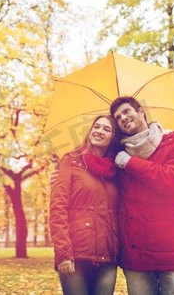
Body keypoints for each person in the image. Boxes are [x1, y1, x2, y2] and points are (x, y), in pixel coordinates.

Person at [110, 96, 174, 295]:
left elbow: (173, 181)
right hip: (135, 253)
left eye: (127, 111)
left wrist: (130, 163)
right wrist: (66, 175)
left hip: (171, 249)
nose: (123, 118)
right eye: (117, 117)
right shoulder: (116, 155)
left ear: (141, 111)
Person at [49, 115, 121, 295]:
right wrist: (63, 253)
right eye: (97, 126)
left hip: (108, 256)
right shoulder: (71, 161)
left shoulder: (116, 171)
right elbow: (58, 208)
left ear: (114, 138)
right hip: (76, 255)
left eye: (107, 129)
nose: (99, 131)